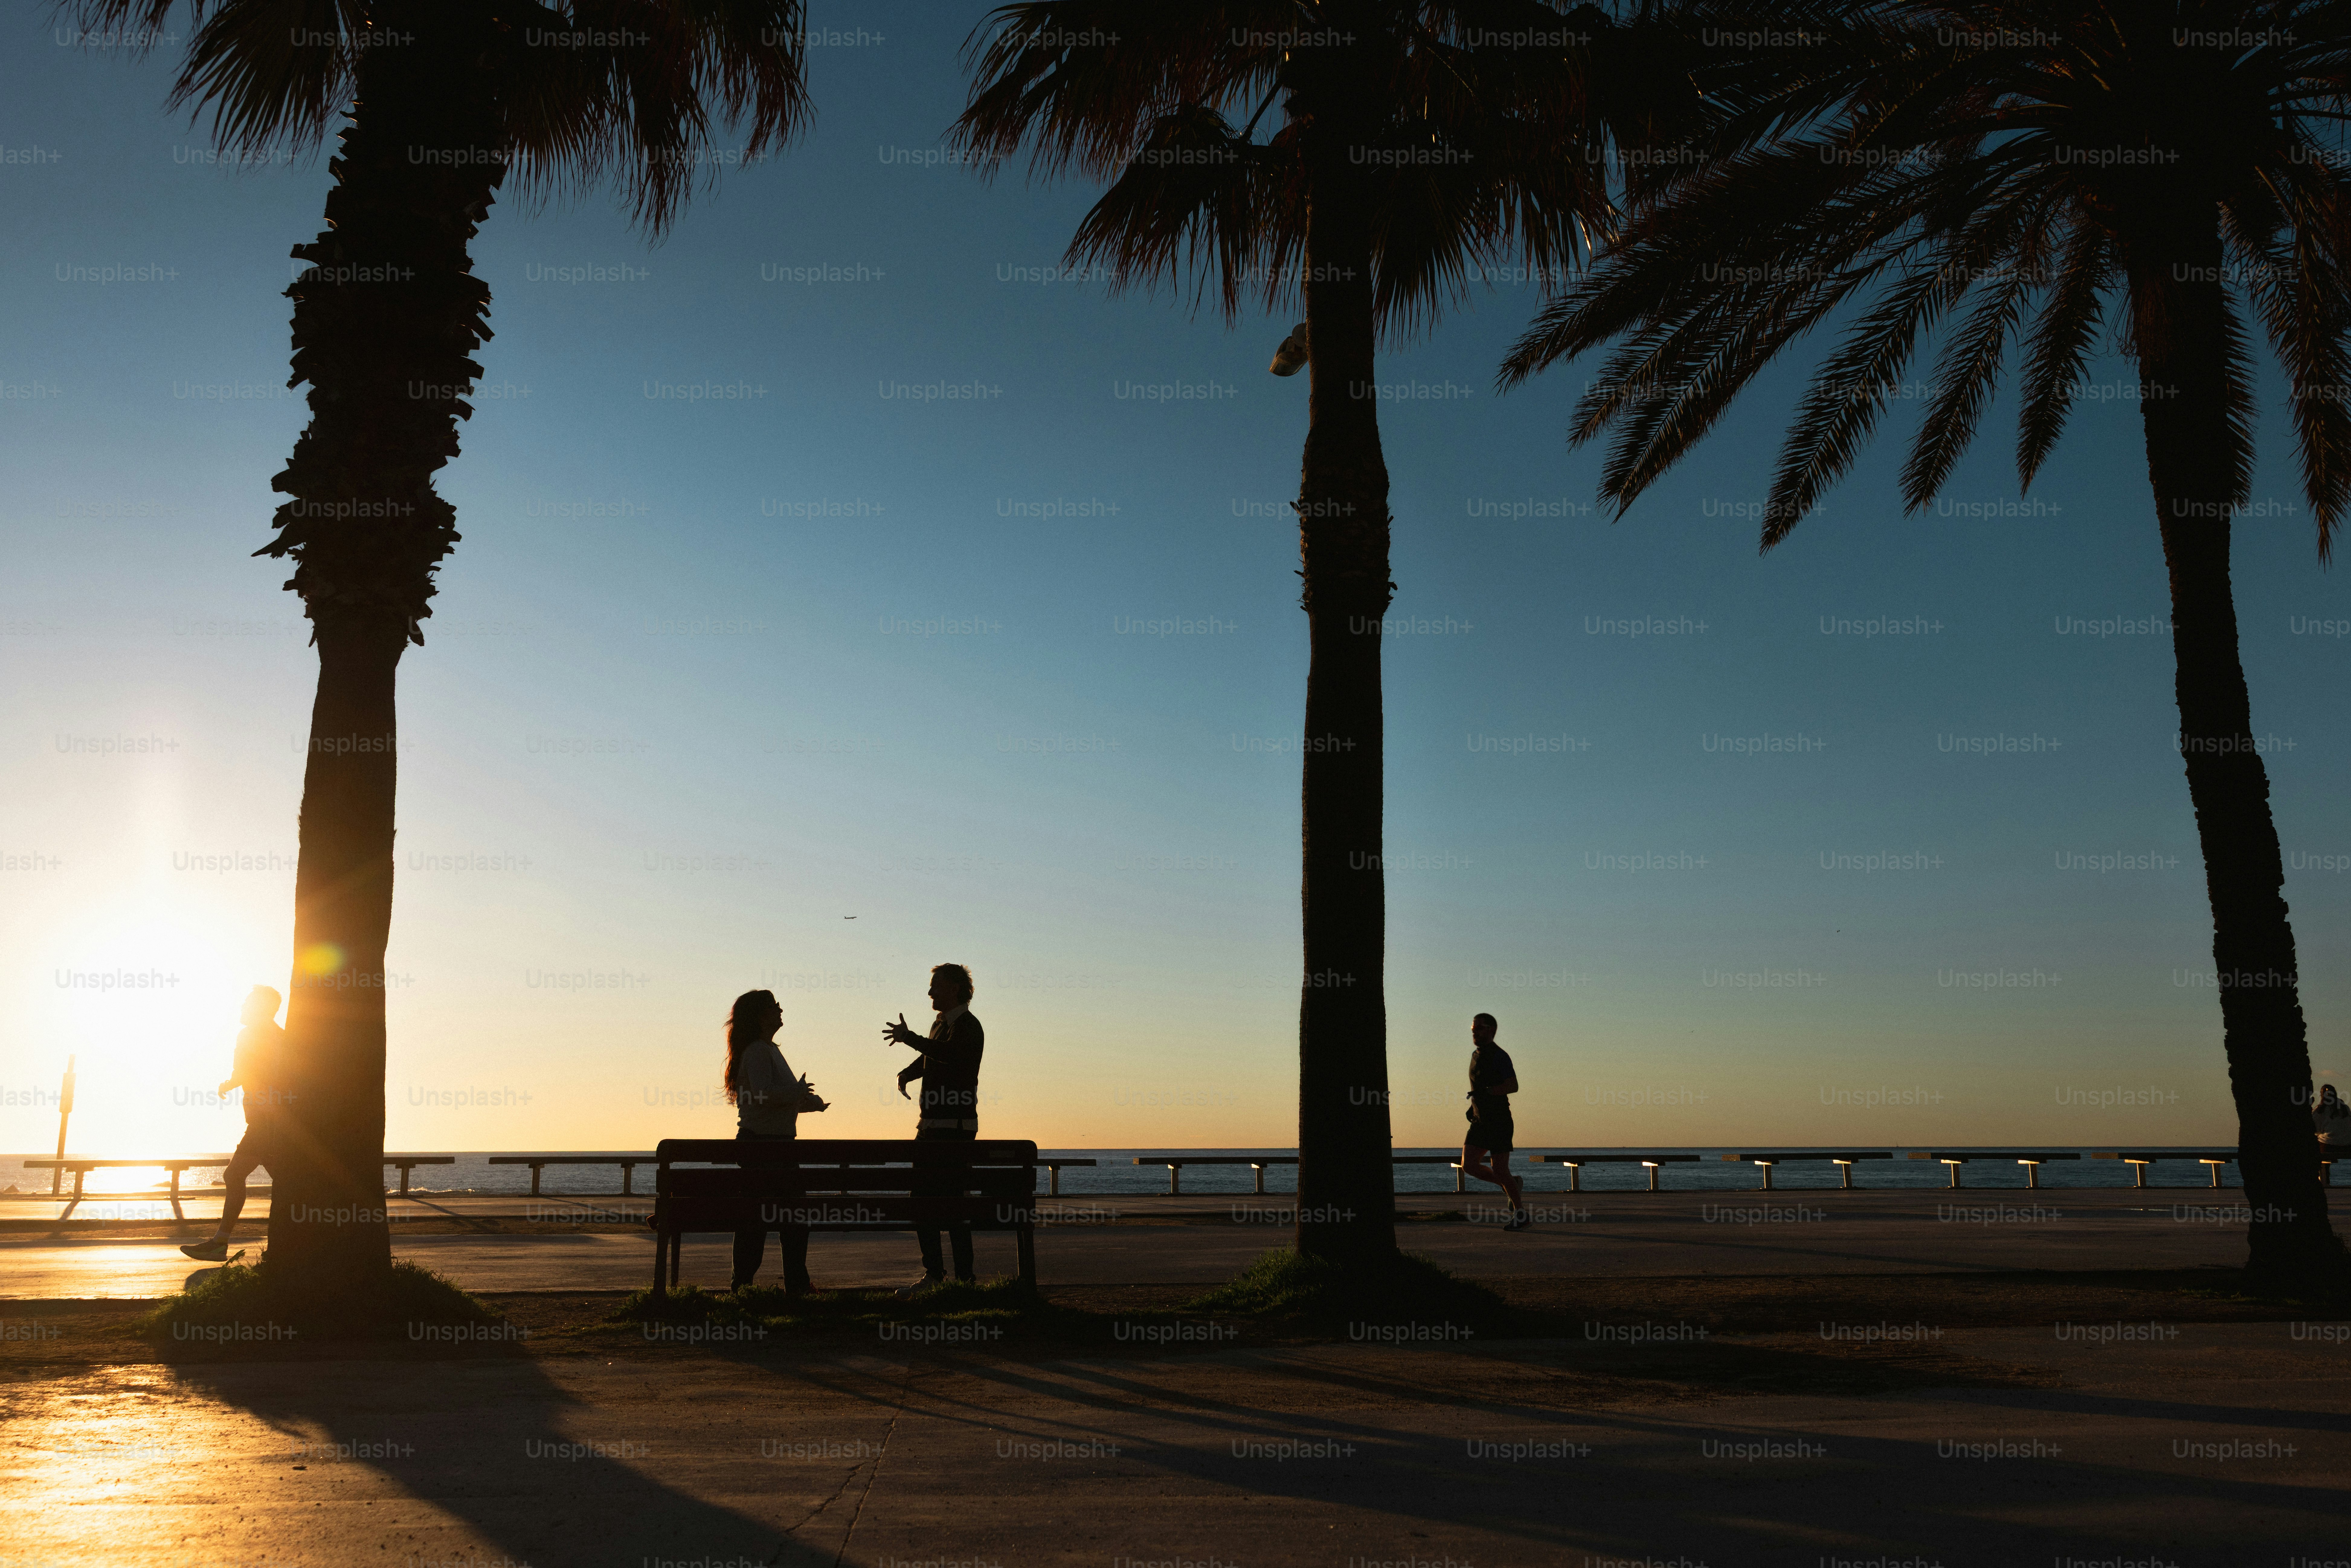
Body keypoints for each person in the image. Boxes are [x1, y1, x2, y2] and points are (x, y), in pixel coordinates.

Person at [882, 963, 984, 1291]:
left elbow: (950, 1055)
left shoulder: (968, 1026)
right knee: (924, 1201)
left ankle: (961, 1279)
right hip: (932, 1127)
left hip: (953, 1129)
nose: (929, 992)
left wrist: (910, 1038)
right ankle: (938, 1275)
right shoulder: (941, 1025)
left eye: (935, 985)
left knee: (951, 1204)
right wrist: (908, 1072)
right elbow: (933, 1058)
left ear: (954, 988)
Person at [723, 988, 826, 1296]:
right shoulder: (758, 1050)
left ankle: (753, 1287)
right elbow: (764, 1094)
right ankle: (760, 1286)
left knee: (774, 1221)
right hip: (765, 1147)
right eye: (774, 1006)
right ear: (760, 1015)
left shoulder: (767, 1049)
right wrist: (797, 1095)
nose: (781, 1009)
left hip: (774, 1146)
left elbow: (773, 1099)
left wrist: (808, 1102)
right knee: (769, 1221)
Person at [181, 987, 288, 1262]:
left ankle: (221, 1243)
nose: (242, 1008)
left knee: (234, 1176)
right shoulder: (280, 1036)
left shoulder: (252, 1034)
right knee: (287, 1183)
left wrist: (228, 1084)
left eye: (247, 1003)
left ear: (260, 1008)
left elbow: (247, 1070)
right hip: (272, 1120)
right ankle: (305, 1237)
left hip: (265, 1122)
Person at [1459, 1012, 1529, 1231]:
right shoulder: (1475, 1055)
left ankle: (1521, 1214)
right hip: (1480, 1121)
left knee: (1500, 1170)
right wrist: (1473, 1108)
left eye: (1479, 1028)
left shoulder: (1500, 1056)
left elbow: (1513, 1085)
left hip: (1499, 1120)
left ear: (1491, 1030)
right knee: (1468, 1165)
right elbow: (1478, 1087)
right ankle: (1512, 1184)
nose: (1474, 1032)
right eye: (1473, 1028)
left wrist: (1490, 1092)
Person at [2315, 1083, 2348, 1148]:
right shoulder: (2345, 1108)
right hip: (2347, 1144)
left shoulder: (2321, 1109)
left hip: (2328, 1144)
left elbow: (2315, 1128)